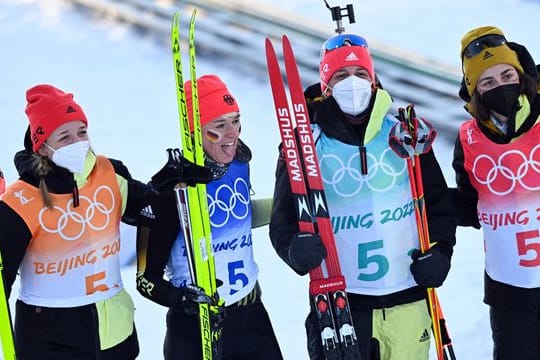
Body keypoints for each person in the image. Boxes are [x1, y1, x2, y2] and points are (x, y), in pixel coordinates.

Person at [269, 33, 457, 359]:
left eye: (360, 75)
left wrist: (442, 254)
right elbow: (283, 217)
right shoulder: (305, 142)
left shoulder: (403, 131)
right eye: (340, 76)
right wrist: (293, 249)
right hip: (342, 305)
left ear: (373, 81)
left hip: (407, 299)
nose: (351, 84)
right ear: (326, 86)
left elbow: (438, 203)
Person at [0, 84, 207, 359]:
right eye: (65, 136)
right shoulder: (20, 200)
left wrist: (165, 184)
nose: (78, 143)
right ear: (42, 146)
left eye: (82, 132)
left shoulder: (109, 173)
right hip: (49, 344)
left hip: (116, 337)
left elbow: (145, 211)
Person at [136, 74, 283, 360]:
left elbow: (237, 217)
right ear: (195, 131)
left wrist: (288, 206)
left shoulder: (238, 165)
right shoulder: (172, 190)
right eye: (219, 125)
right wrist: (181, 300)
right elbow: (145, 279)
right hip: (197, 327)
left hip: (252, 316)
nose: (233, 133)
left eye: (236, 120)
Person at [453, 26, 540, 360]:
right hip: (510, 290)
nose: (500, 85)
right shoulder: (469, 139)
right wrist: (428, 198)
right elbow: (470, 205)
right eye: (487, 82)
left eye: (506, 74)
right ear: (475, 91)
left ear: (521, 75)